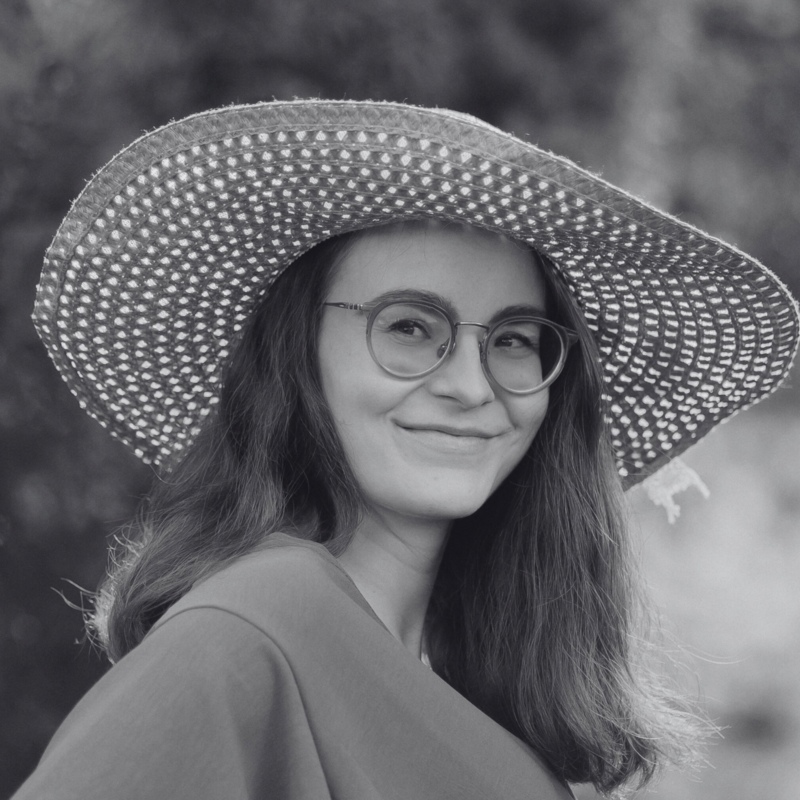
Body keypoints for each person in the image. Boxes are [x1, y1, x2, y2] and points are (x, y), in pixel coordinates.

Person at [15, 100, 799, 799]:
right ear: (298, 356)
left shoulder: (485, 684)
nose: (470, 385)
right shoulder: (245, 636)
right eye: (410, 327)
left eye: (514, 339)